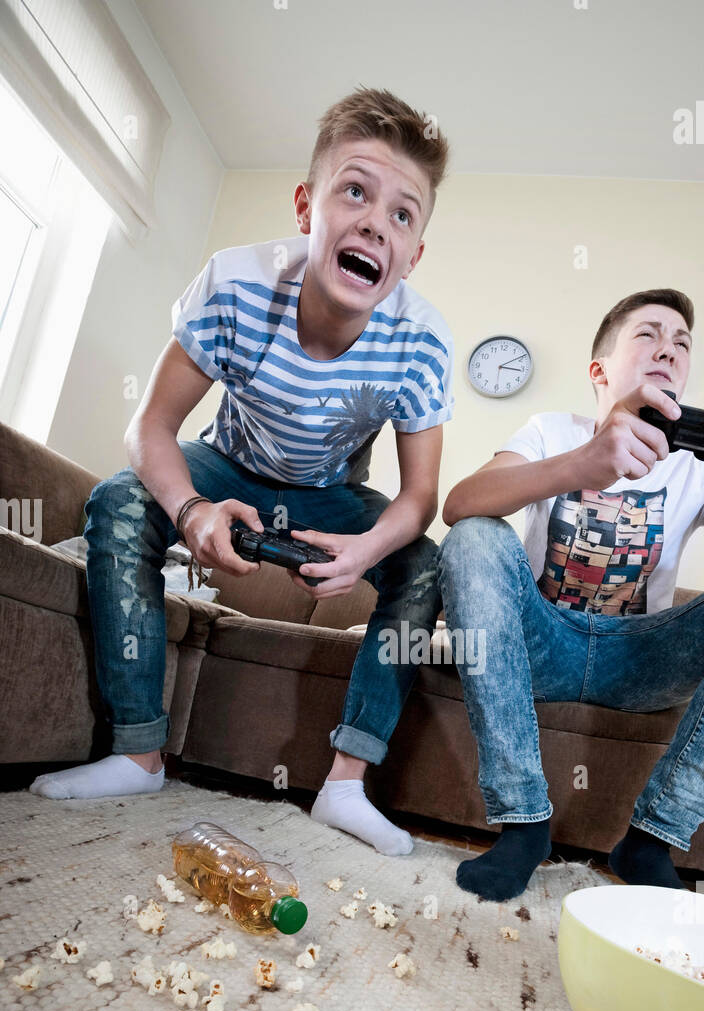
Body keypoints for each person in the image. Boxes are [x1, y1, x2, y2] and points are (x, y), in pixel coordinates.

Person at [31, 88, 454, 857]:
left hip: (331, 493)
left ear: (414, 254)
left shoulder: (422, 340)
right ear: (306, 206)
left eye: (402, 214)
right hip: (226, 464)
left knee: (424, 564)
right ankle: (136, 752)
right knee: (120, 501)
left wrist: (364, 553)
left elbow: (420, 495)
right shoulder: (235, 282)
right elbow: (150, 426)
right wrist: (193, 511)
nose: (373, 222)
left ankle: (347, 786)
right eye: (354, 190)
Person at [437, 288, 704, 901]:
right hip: (544, 642)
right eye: (648, 334)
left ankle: (652, 839)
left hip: (642, 659)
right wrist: (580, 464)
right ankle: (522, 824)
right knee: (475, 538)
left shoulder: (695, 467)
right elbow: (458, 506)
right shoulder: (550, 431)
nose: (668, 350)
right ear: (600, 371)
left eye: (682, 344)